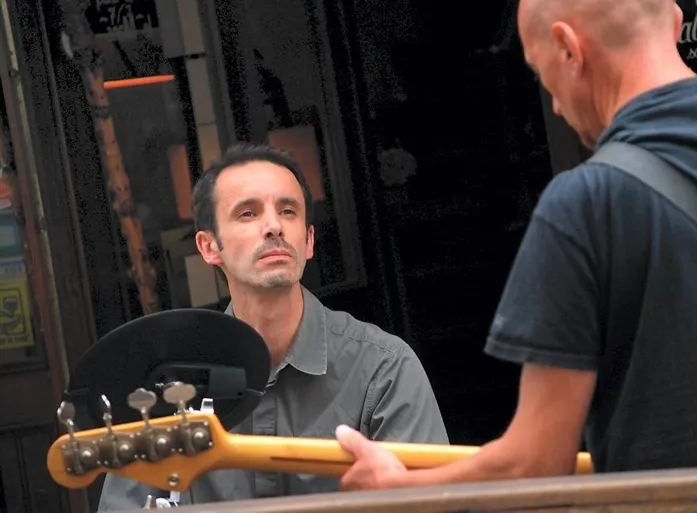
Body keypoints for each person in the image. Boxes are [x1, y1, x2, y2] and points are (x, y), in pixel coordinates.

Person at [334, 0, 697, 491]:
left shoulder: (583, 203)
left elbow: (536, 462)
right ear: (674, 23)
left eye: (540, 71)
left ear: (568, 48)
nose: (554, 105)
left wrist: (398, 487)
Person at [97, 143, 448, 510]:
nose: (274, 226)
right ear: (209, 246)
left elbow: (432, 504)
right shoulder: (166, 385)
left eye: (288, 211)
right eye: (248, 213)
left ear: (309, 241)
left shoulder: (383, 369)